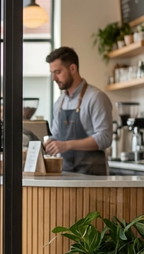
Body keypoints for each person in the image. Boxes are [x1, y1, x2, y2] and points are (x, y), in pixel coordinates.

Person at [45, 46, 113, 175]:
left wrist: (67, 145)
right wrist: (47, 143)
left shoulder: (96, 97)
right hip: (65, 177)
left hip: (93, 179)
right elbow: (56, 136)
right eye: (52, 73)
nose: (54, 78)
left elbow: (105, 138)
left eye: (58, 72)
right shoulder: (59, 103)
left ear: (73, 68)